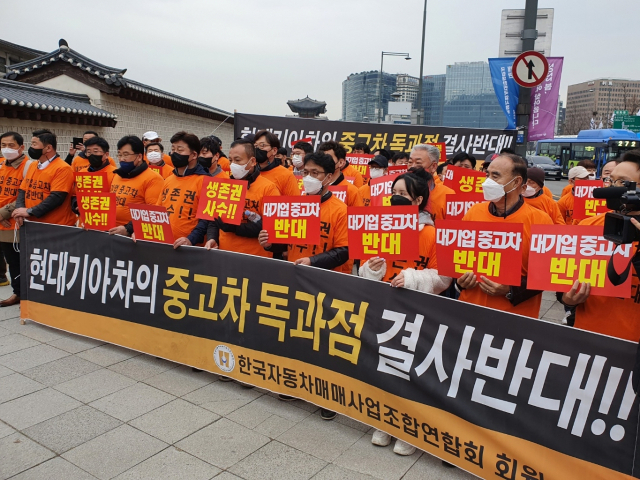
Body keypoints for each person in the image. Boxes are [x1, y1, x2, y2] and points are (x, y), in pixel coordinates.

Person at [359, 168, 451, 456]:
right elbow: (364, 268)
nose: (395, 198)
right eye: (393, 193)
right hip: (385, 309)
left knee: (412, 370)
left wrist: (413, 279)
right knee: (385, 365)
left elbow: (443, 278)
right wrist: (372, 270)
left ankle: (410, 428)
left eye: (402, 194)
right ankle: (385, 421)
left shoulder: (432, 233)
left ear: (418, 199)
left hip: (418, 312)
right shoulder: (380, 225)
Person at [258, 151, 348, 421]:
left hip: (327, 281)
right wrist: (269, 242)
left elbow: (344, 251)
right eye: (305, 172)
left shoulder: (339, 210)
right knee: (297, 331)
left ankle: (327, 395)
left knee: (324, 338)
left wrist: (313, 260)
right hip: (296, 278)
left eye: (315, 173)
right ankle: (295, 383)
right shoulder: (293, 204)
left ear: (330, 177)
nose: (308, 178)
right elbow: (282, 244)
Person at [455, 154, 553, 318]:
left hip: (515, 317)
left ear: (516, 182)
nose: (487, 181)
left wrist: (510, 290)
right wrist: (460, 282)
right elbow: (457, 259)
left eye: (495, 176)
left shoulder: (540, 220)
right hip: (470, 311)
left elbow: (545, 274)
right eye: (487, 175)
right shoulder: (474, 212)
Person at [563, 150, 640, 341]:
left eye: (623, 182)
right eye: (610, 180)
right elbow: (565, 283)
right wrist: (568, 300)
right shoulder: (588, 226)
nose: (613, 187)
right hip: (588, 340)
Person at [205, 139, 280, 257]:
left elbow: (270, 226)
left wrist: (235, 228)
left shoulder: (269, 188)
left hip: (254, 258)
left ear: (252, 161)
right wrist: (212, 238)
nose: (232, 164)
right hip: (225, 254)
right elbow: (213, 220)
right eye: (230, 160)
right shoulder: (223, 185)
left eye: (237, 160)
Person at [155, 132, 211, 249]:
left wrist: (191, 239)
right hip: (164, 244)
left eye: (180, 150)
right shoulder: (169, 179)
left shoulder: (206, 181)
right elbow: (158, 211)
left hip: (190, 249)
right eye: (173, 149)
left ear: (194, 155)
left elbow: (207, 219)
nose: (174, 153)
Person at [13, 129, 77, 230]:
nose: (31, 147)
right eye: (31, 144)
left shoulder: (63, 168)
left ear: (48, 148)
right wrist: (19, 210)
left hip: (56, 226)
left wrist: (30, 211)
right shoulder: (33, 165)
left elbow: (56, 197)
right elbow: (23, 190)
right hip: (32, 224)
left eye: (34, 144)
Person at [0, 132, 33, 304]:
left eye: (11, 145)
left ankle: (27, 294)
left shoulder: (29, 167)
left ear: (21, 147)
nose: (6, 149)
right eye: (3, 145)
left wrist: (2, 214)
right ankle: (17, 293)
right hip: (2, 225)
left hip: (18, 222)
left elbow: (24, 196)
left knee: (22, 260)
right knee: (11, 261)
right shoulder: (0, 165)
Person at [107, 136, 164, 235]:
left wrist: (128, 228)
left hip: (133, 236)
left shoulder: (153, 178)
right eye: (119, 155)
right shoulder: (117, 175)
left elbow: (153, 212)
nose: (121, 159)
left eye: (126, 155)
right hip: (111, 231)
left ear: (139, 157)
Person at [408, 144, 454, 222]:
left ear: (433, 167)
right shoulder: (399, 191)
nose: (412, 167)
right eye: (410, 162)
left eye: (418, 163)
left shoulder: (448, 194)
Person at [253, 130, 301, 196]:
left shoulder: (286, 175)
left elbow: (294, 203)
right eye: (255, 146)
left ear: (274, 151)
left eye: (262, 145)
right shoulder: (249, 171)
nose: (258, 149)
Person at [318, 141, 364, 207]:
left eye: (328, 158)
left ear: (341, 163)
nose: (324, 161)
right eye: (321, 158)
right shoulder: (314, 188)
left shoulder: (352, 191)